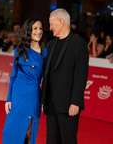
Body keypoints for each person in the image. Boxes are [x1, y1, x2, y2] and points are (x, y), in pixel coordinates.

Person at [41, 8, 89, 144]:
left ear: (61, 22)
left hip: (68, 105)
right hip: (51, 103)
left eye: (51, 24)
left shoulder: (78, 43)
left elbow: (81, 74)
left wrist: (76, 102)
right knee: (51, 140)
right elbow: (48, 73)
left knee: (68, 140)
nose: (50, 28)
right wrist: (44, 99)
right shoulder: (52, 44)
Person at [2, 17, 47, 144]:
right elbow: (13, 76)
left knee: (28, 132)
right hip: (17, 95)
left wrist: (44, 99)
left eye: (41, 28)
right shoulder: (19, 50)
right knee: (9, 130)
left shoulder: (45, 52)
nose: (39, 31)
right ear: (29, 31)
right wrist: (9, 98)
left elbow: (47, 79)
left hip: (33, 96)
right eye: (35, 28)